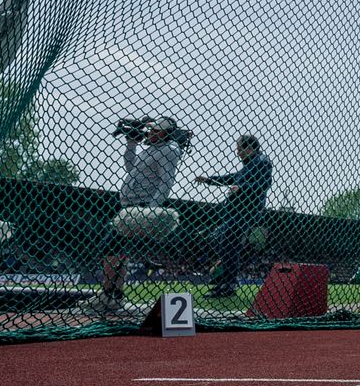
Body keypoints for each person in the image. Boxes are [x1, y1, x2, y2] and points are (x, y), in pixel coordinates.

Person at [92, 117, 184, 315]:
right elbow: (131, 169)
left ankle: (109, 293)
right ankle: (114, 295)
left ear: (166, 134)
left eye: (156, 131)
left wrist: (151, 210)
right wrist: (131, 145)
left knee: (109, 247)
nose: (150, 132)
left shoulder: (168, 149)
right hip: (129, 206)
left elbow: (166, 182)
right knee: (117, 250)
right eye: (151, 130)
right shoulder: (150, 149)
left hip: (140, 207)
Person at [194, 135, 272, 298]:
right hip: (235, 212)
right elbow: (230, 178)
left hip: (245, 212)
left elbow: (264, 184)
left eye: (239, 149)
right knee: (221, 241)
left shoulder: (261, 161)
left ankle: (227, 284)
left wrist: (242, 188)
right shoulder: (249, 165)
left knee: (229, 245)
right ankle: (223, 279)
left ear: (249, 148)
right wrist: (209, 180)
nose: (237, 153)